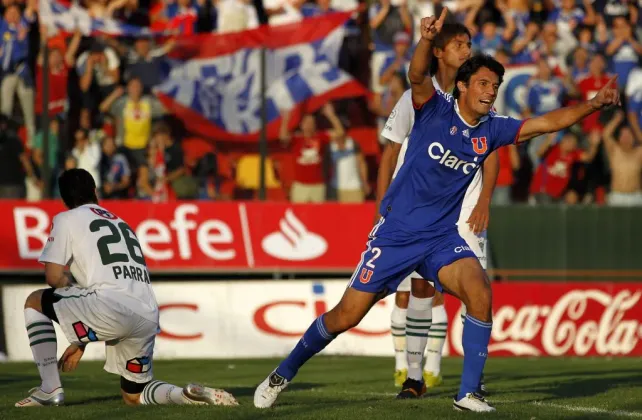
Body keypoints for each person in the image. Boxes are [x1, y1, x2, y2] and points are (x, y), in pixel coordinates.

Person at [253, 9, 619, 413]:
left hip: (441, 238)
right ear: (462, 86)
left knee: (479, 292)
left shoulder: (491, 129)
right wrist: (425, 40)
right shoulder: (432, 106)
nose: (490, 91)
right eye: (483, 83)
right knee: (345, 316)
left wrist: (593, 104)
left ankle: (467, 393)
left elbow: (547, 123)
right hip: (397, 235)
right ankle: (281, 374)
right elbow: (415, 76)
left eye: (495, 85)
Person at [16, 169, 238, 408]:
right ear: (95, 192)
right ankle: (184, 395)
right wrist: (80, 335)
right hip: (146, 315)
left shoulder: (66, 219)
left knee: (34, 301)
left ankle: (50, 388)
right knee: (134, 395)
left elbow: (54, 276)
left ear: (64, 199)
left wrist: (76, 318)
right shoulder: (122, 223)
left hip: (108, 308)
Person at [378, 22, 499, 395]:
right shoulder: (417, 97)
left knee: (473, 293)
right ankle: (414, 374)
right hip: (418, 213)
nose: (466, 50)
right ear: (438, 51)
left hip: (463, 213)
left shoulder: (481, 93)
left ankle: (467, 378)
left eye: (468, 44)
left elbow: (492, 150)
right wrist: (383, 208)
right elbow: (390, 152)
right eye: (458, 44)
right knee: (419, 291)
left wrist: (483, 201)